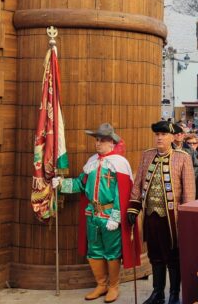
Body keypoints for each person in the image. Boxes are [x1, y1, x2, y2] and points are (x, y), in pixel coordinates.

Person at [52, 123, 139, 303]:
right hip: (92, 215)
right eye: (97, 140)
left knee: (112, 252)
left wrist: (116, 217)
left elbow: (123, 194)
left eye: (102, 140)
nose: (98, 143)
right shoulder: (91, 162)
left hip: (110, 216)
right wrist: (61, 184)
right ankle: (101, 284)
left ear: (112, 143)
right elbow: (80, 184)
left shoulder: (120, 164)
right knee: (94, 251)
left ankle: (113, 286)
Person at [127, 121, 195, 304]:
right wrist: (134, 206)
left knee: (173, 256)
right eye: (157, 134)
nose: (159, 138)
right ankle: (158, 293)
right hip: (151, 216)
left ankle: (174, 294)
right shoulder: (147, 155)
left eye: (163, 134)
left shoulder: (183, 158)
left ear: (172, 137)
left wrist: (186, 218)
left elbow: (189, 192)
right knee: (155, 255)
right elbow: (138, 183)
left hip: (173, 219)